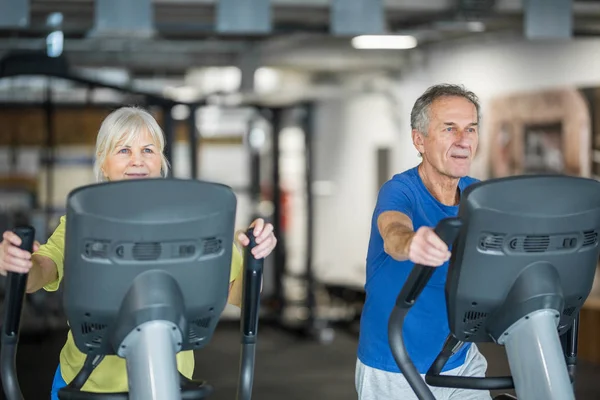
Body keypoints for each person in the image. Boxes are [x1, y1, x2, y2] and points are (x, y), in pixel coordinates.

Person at [0, 106, 278, 399]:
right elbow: (40, 272)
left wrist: (253, 256)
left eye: (148, 149)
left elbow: (241, 295)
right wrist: (18, 263)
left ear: (161, 161)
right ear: (103, 164)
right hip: (85, 385)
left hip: (165, 384)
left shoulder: (189, 224)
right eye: (123, 150)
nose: (138, 160)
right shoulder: (79, 224)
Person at [355, 84, 490, 400]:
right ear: (419, 139)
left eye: (471, 128)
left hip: (458, 358)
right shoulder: (400, 190)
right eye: (449, 129)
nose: (464, 139)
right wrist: (412, 242)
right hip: (394, 365)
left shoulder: (479, 195)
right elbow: (393, 230)